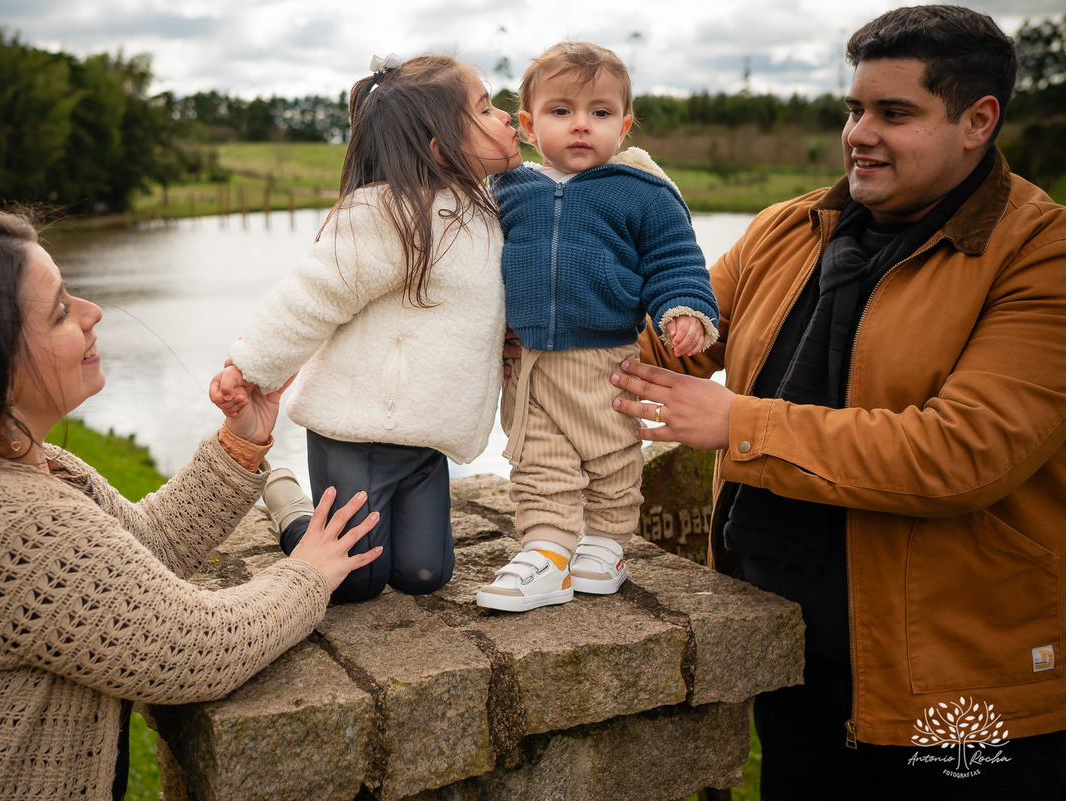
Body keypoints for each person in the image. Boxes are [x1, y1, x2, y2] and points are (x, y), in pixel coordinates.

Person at [610, 6, 1066, 798]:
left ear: (978, 121)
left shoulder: (1042, 254)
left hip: (961, 680)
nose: (859, 132)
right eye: (856, 108)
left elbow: (962, 453)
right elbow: (660, 338)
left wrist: (736, 423)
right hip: (792, 654)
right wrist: (525, 331)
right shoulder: (790, 228)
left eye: (895, 113)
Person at [0, 208, 383, 800]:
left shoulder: (17, 466)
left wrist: (241, 440)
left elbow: (142, 549)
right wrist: (306, 574)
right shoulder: (6, 521)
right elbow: (198, 647)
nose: (93, 314)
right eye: (61, 310)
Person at [214, 54, 522, 603]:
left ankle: (348, 530)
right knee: (353, 582)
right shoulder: (390, 214)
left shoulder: (487, 209)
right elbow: (311, 295)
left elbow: (475, 303)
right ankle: (289, 506)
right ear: (439, 147)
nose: (509, 118)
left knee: (425, 575)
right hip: (357, 434)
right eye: (486, 108)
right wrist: (250, 366)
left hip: (425, 439)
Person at [475, 41, 718, 612]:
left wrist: (683, 310)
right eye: (562, 112)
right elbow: (475, 264)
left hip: (608, 359)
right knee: (539, 460)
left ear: (624, 126)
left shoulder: (643, 194)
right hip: (529, 362)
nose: (581, 125)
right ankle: (545, 553)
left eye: (600, 113)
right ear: (530, 126)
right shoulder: (507, 192)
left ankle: (606, 544)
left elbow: (674, 260)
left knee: (612, 456)